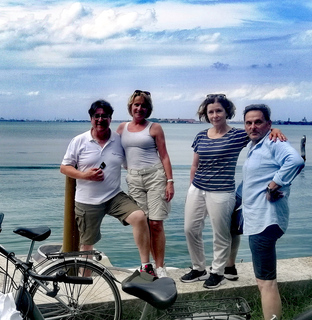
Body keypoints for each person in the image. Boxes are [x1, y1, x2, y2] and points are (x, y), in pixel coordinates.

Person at [181, 94, 285, 289]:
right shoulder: (201, 135)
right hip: (197, 188)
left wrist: (275, 129)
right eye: (210, 112)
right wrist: (191, 188)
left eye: (218, 110)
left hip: (222, 192)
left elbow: (261, 131)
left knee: (220, 234)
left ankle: (218, 272)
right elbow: (195, 165)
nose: (215, 115)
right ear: (206, 114)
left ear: (226, 112)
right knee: (190, 229)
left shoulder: (238, 135)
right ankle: (199, 268)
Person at [60, 99, 154, 274]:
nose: (100, 120)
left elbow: (134, 158)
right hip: (87, 201)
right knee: (87, 245)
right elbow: (64, 168)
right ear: (91, 118)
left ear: (110, 119)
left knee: (140, 217)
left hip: (113, 196)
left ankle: (146, 266)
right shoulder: (79, 141)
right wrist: (84, 175)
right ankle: (84, 283)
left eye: (105, 116)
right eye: (97, 116)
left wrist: (158, 178)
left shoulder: (118, 140)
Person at [242, 104, 304, 320]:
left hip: (265, 220)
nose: (252, 126)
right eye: (248, 122)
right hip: (257, 218)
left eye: (258, 121)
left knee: (266, 282)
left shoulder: (273, 142)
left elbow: (295, 161)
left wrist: (274, 185)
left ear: (269, 124)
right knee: (265, 280)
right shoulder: (256, 145)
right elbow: (253, 179)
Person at [117, 90, 174, 278]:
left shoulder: (154, 128)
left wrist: (170, 182)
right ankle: (146, 265)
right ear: (130, 107)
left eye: (143, 105)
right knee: (143, 224)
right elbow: (110, 151)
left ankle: (160, 267)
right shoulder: (121, 129)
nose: (139, 108)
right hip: (133, 179)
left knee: (156, 223)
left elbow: (164, 155)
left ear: (148, 108)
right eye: (136, 104)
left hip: (155, 176)